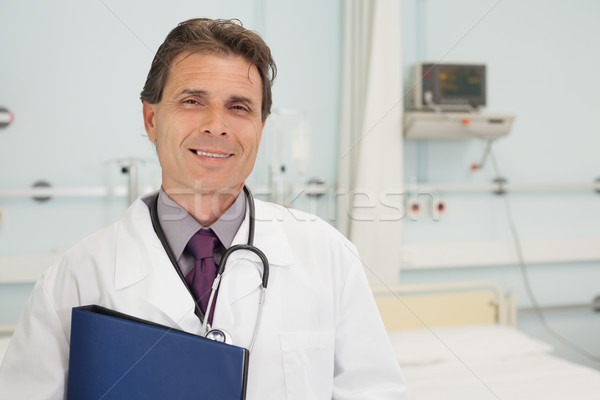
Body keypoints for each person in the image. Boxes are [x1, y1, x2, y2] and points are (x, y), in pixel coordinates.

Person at [0, 18, 406, 399]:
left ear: (260, 129)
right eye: (193, 100)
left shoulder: (328, 257)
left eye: (240, 107)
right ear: (151, 119)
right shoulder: (73, 279)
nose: (217, 125)